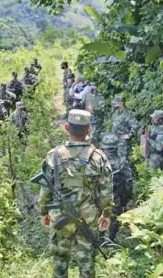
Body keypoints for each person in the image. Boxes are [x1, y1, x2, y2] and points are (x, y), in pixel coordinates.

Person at [39, 110, 112, 278]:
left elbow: (45, 190)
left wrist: (44, 212)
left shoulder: (54, 155)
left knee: (59, 260)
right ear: (88, 130)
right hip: (88, 216)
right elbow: (106, 190)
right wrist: (105, 214)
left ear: (66, 127)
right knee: (86, 262)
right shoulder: (98, 157)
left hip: (61, 217)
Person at [101, 133, 132, 241]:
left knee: (100, 216)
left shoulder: (98, 161)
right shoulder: (122, 161)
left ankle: (100, 238)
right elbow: (128, 182)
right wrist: (127, 198)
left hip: (100, 196)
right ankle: (111, 238)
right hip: (117, 196)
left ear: (103, 148)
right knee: (115, 217)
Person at [111, 96, 139, 163]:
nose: (114, 105)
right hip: (115, 141)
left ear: (121, 103)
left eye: (116, 103)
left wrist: (129, 135)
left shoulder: (127, 114)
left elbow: (136, 125)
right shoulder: (116, 113)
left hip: (123, 143)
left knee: (124, 161)